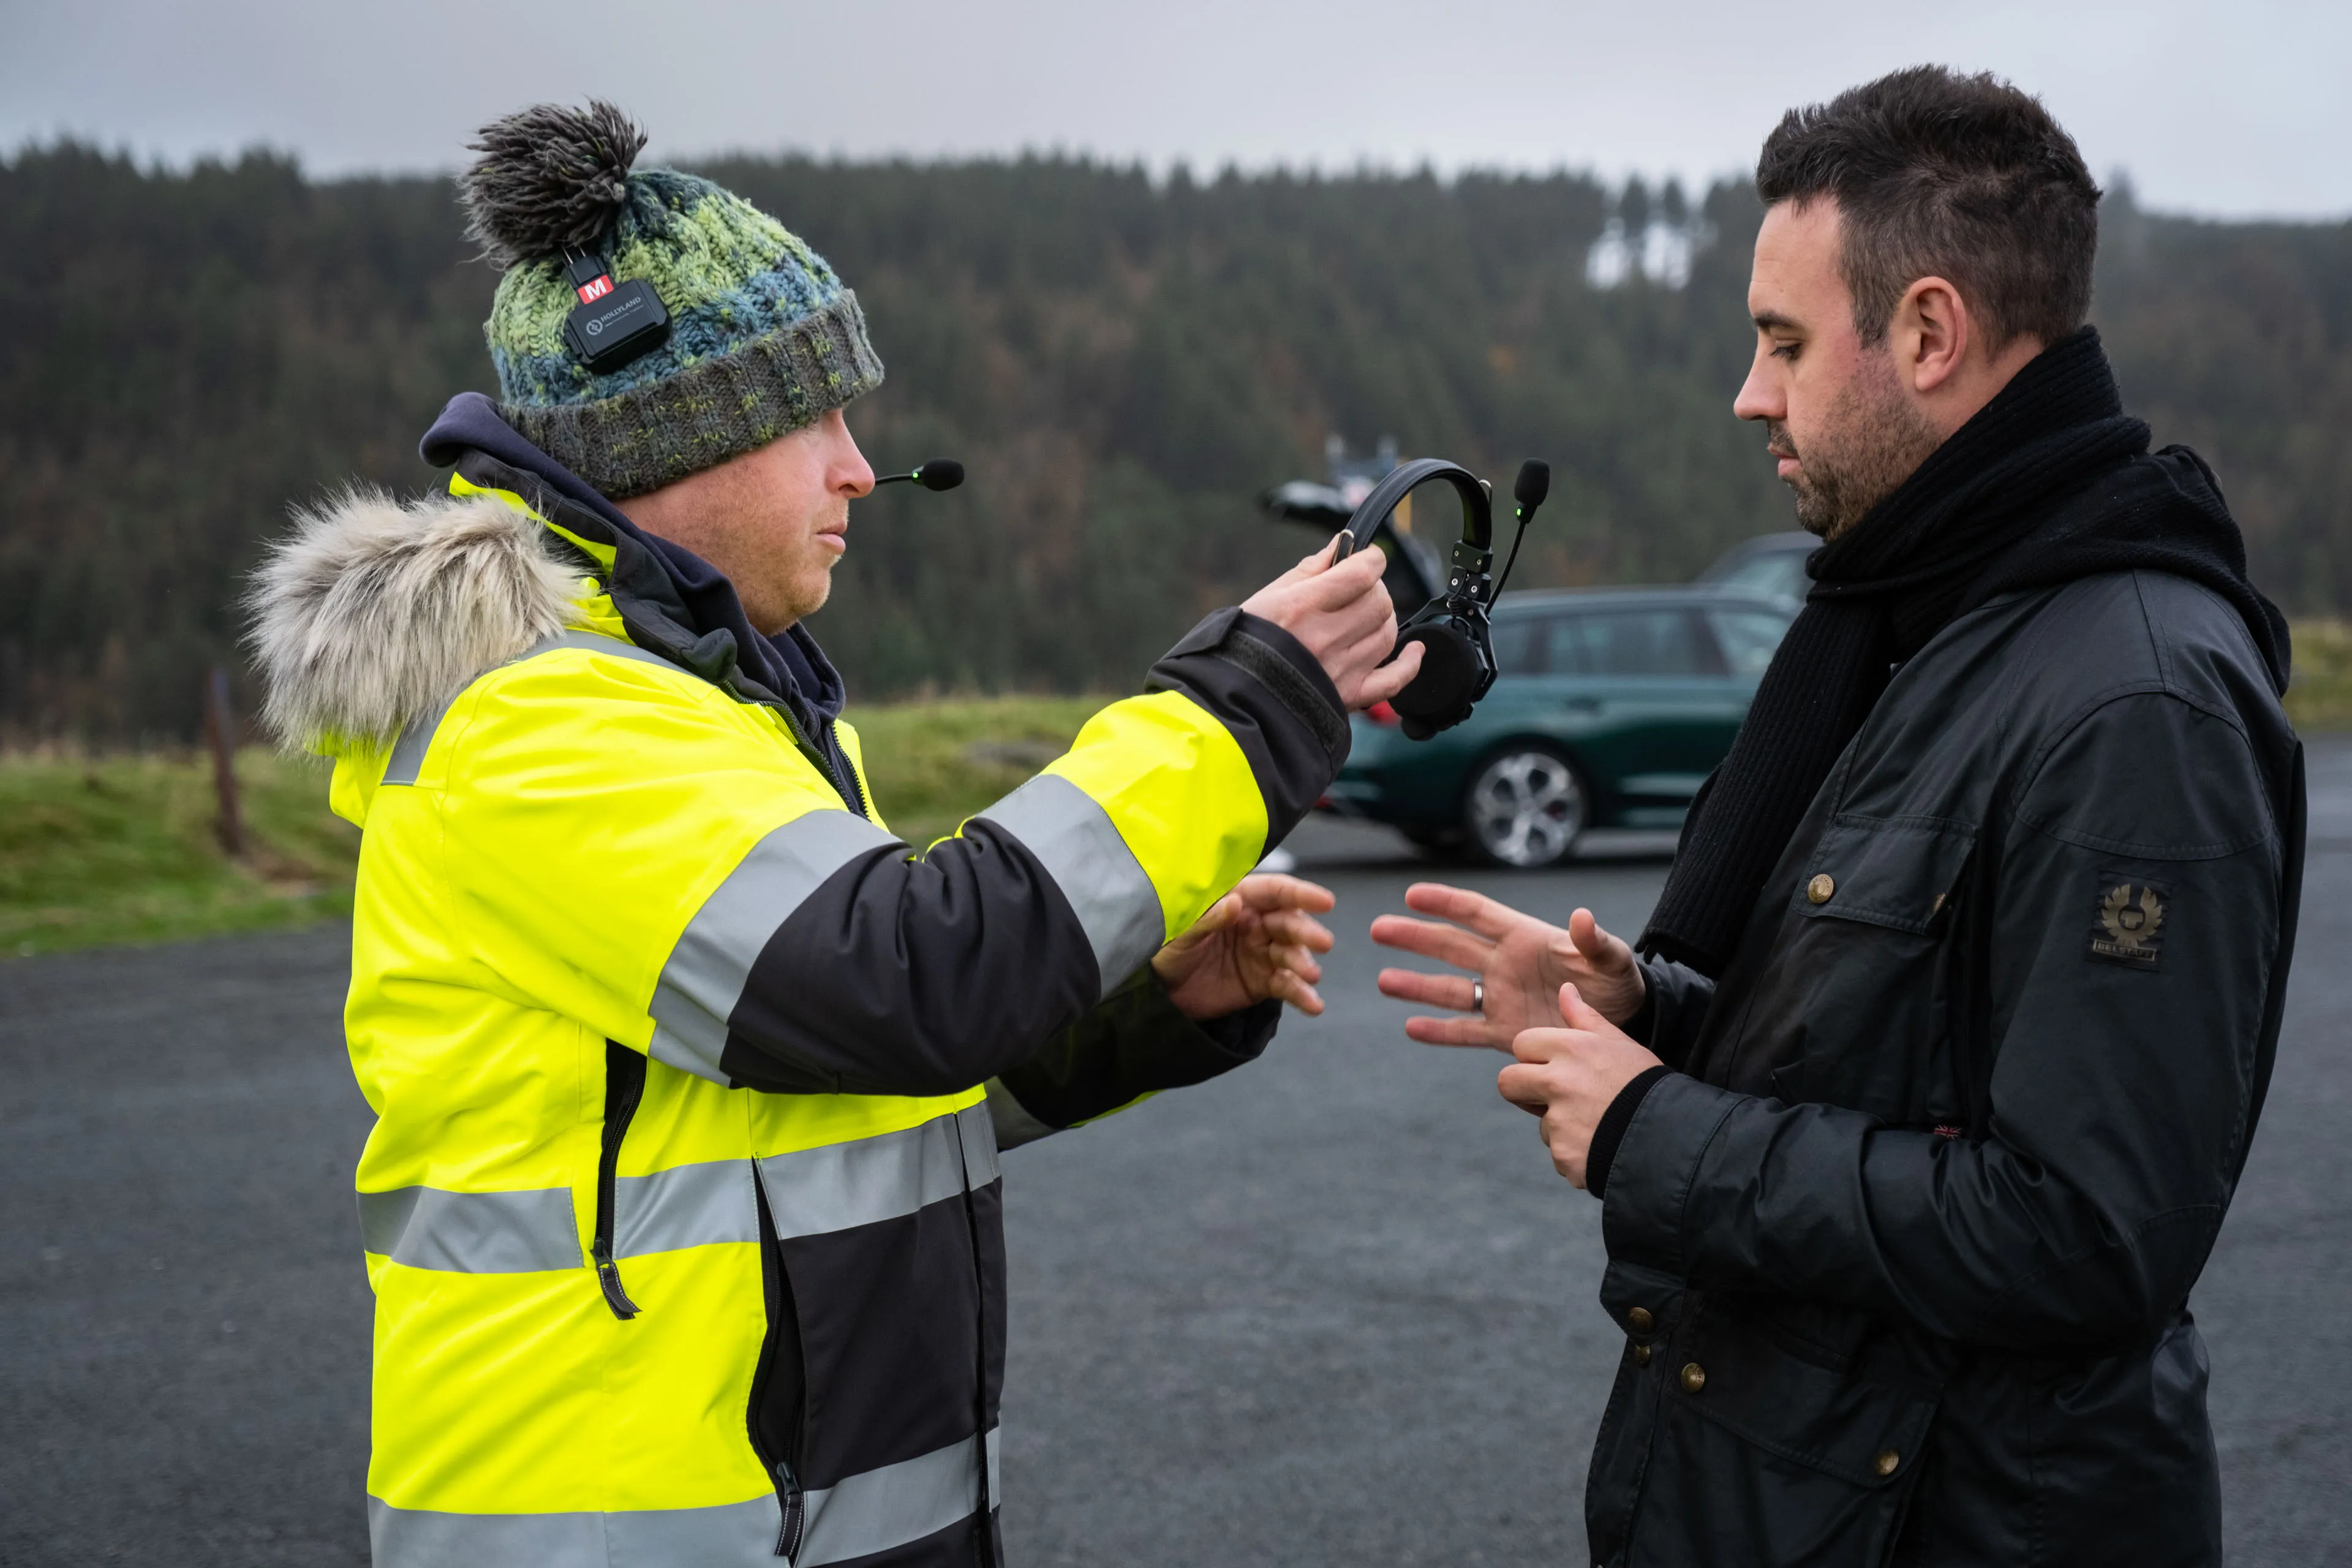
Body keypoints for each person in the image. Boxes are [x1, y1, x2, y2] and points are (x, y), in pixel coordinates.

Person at [246, 102, 1420, 1568]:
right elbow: (913, 983)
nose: (861, 467)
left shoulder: (726, 715)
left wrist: (1146, 1003)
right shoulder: (535, 729)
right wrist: (1244, 705)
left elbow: (837, 1097)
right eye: (819, 417)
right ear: (675, 439)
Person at [1373, 67, 2304, 1566]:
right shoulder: (1924, 623)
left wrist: (1652, 1127)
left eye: (1784, 343)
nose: (1751, 394)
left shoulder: (2138, 701)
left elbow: (2083, 1231)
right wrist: (1654, 1009)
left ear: (1929, 333)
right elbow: (1896, 1047)